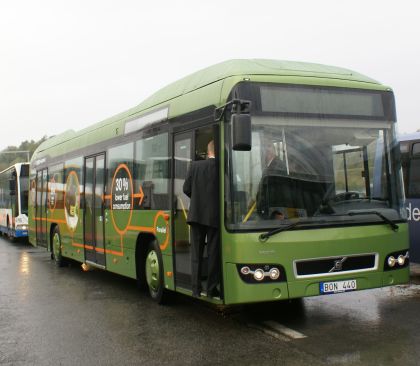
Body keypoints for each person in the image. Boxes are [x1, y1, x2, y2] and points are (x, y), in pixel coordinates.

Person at [183, 140, 220, 298]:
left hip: (196, 216)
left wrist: (197, 199)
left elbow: (186, 189)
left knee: (196, 254)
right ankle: (211, 290)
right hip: (214, 217)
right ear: (218, 152)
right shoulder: (220, 168)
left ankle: (196, 289)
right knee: (213, 253)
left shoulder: (195, 166)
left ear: (208, 151)